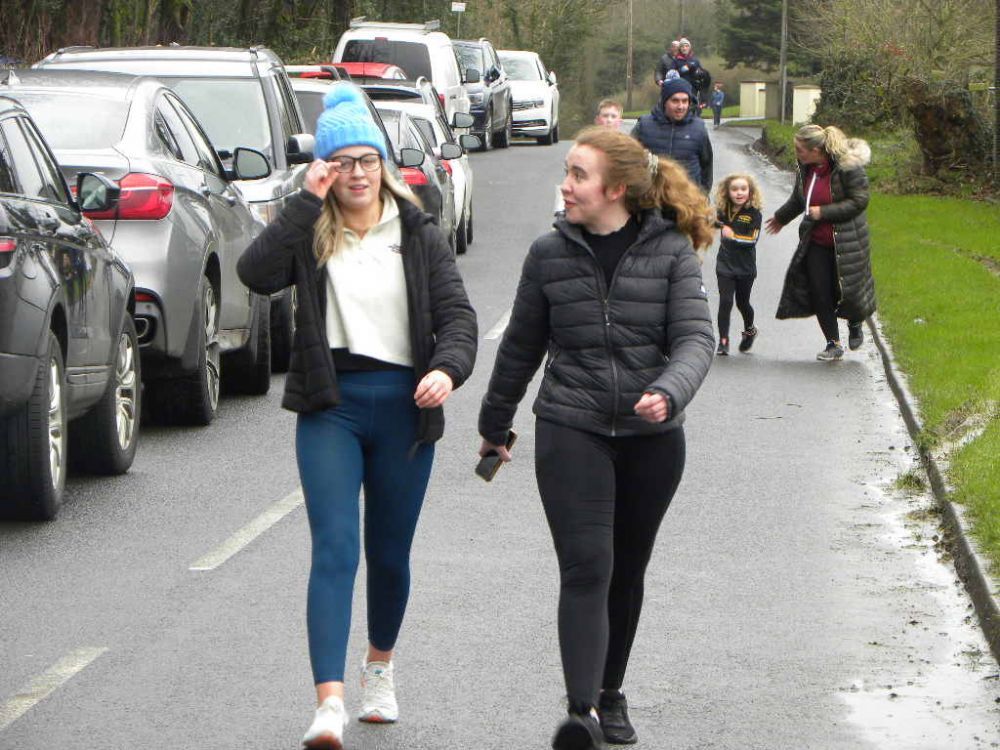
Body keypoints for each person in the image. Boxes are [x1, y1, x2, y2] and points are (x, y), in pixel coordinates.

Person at [237, 84, 477, 749]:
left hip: (405, 406)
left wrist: (445, 370)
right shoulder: (309, 231)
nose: (357, 174)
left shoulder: (418, 234)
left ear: (383, 165)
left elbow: (458, 319)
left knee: (390, 554)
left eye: (367, 160)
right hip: (331, 405)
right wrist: (302, 201)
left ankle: (378, 668)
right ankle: (328, 704)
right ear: (326, 169)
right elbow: (254, 273)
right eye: (342, 163)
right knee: (336, 548)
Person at [477, 127, 714, 750]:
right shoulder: (548, 254)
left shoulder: (671, 253)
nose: (565, 185)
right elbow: (521, 345)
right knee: (587, 566)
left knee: (627, 569)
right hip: (570, 426)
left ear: (615, 189)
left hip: (651, 437)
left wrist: (670, 390)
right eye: (567, 172)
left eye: (578, 175)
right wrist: (494, 423)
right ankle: (580, 711)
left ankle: (610, 692)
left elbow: (696, 338)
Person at [764, 124, 875, 360]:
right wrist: (781, 218)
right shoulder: (806, 168)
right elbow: (799, 199)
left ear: (816, 150)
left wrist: (823, 212)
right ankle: (833, 343)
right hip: (815, 240)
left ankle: (855, 321)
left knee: (849, 291)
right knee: (819, 292)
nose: (797, 154)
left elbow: (859, 200)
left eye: (800, 149)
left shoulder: (848, 166)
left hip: (847, 240)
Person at [631, 76, 713, 192]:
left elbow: (707, 166)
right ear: (664, 102)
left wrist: (702, 195)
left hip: (687, 198)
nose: (681, 106)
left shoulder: (699, 128)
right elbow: (629, 159)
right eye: (675, 101)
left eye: (685, 101)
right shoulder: (644, 126)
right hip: (652, 198)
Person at [713, 173, 763, 355]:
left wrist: (732, 236)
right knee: (725, 302)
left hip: (745, 267)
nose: (739, 193)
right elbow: (713, 222)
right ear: (727, 192)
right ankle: (723, 342)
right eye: (734, 189)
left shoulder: (754, 214)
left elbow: (752, 240)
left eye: (743, 189)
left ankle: (750, 330)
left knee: (742, 303)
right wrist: (715, 224)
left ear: (750, 192)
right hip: (725, 265)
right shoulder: (723, 210)